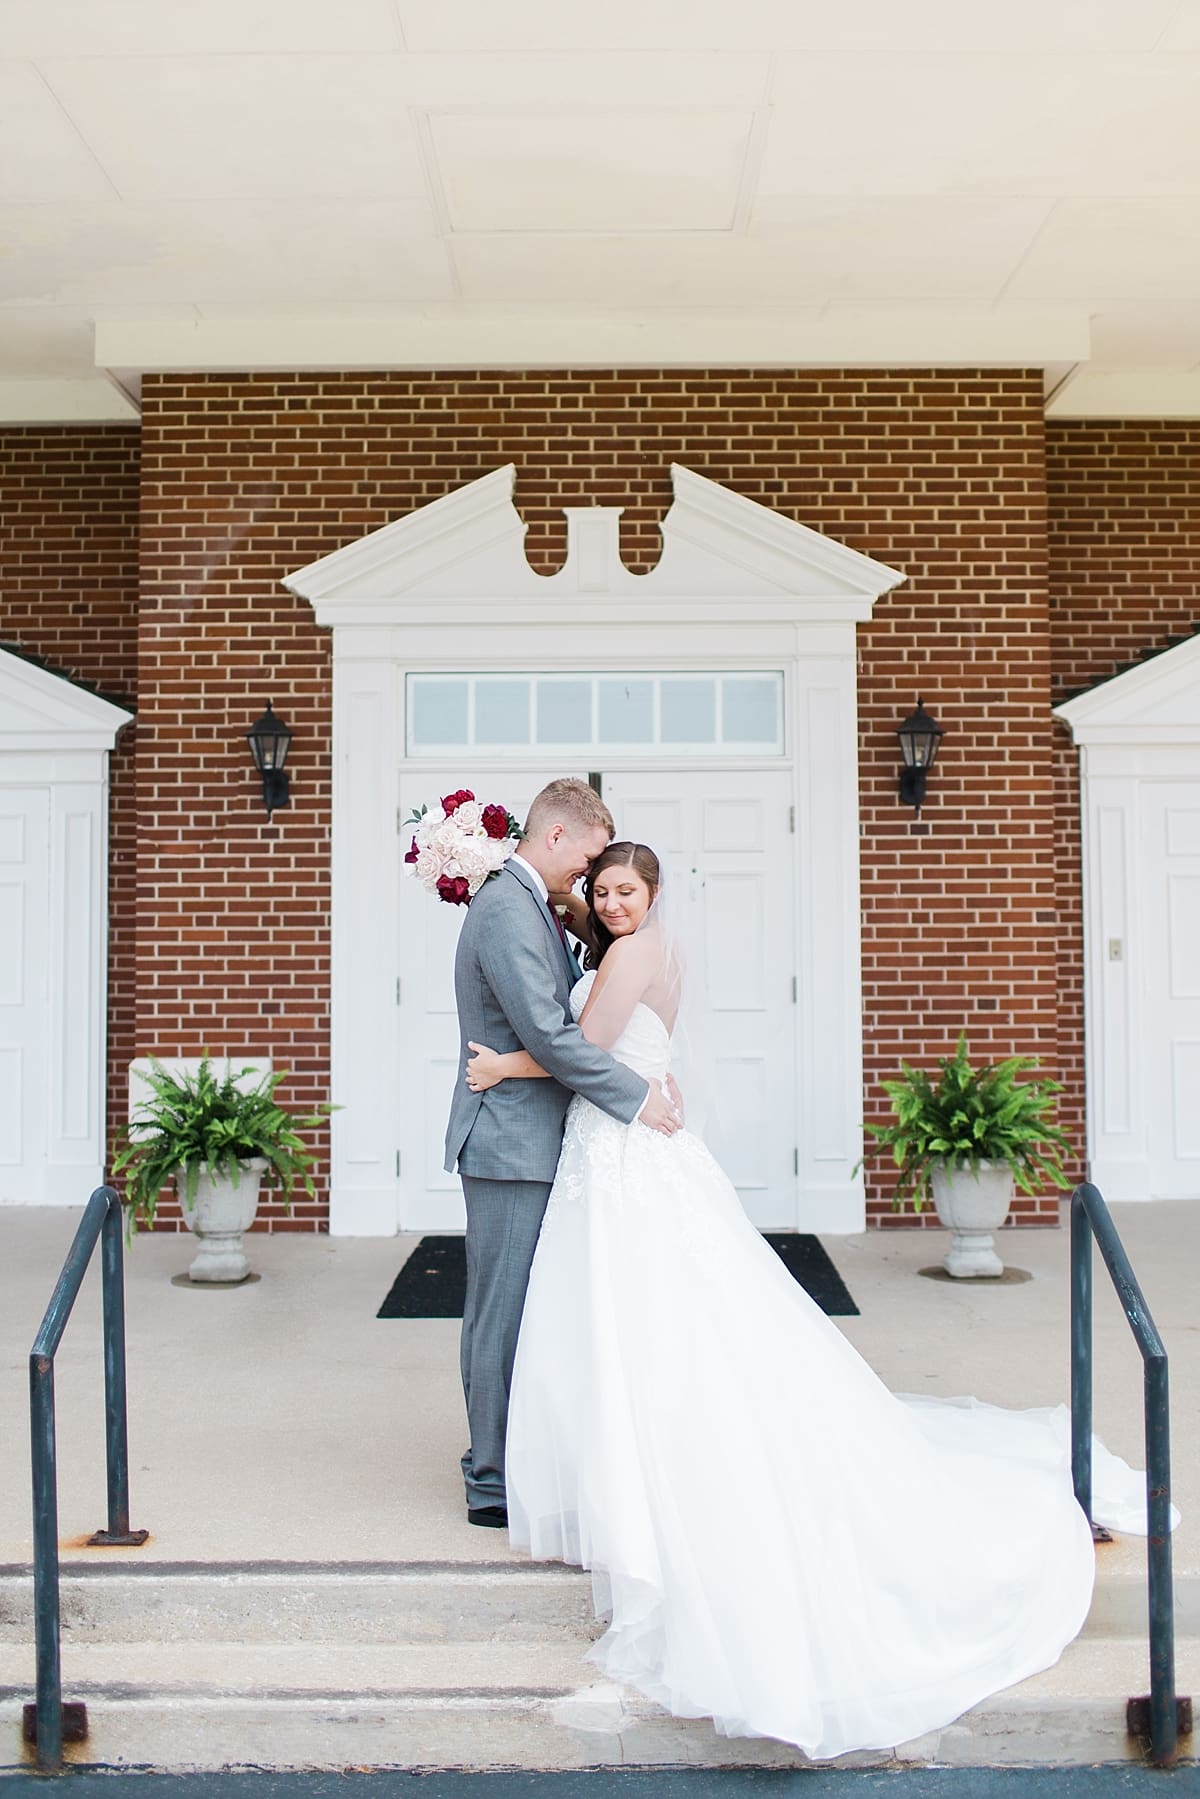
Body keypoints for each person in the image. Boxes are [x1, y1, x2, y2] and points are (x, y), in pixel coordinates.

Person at [463, 840, 1169, 1759]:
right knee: (656, 1309)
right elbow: (615, 1044)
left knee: (642, 1309)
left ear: (654, 892)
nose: (614, 901)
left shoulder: (631, 951)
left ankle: (652, 1451)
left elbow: (581, 1049)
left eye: (626, 889)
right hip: (628, 1136)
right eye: (602, 892)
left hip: (625, 1141)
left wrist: (500, 1068)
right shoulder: (643, 948)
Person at [444, 781, 681, 1530]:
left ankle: (510, 1451)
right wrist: (637, 1097)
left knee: (527, 1310)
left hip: (538, 1137)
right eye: (583, 862)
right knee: (500, 1314)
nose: (584, 880)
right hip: (510, 1141)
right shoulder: (508, 908)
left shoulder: (530, 903)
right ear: (554, 838)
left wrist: (585, 909)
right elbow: (548, 1034)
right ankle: (490, 1478)